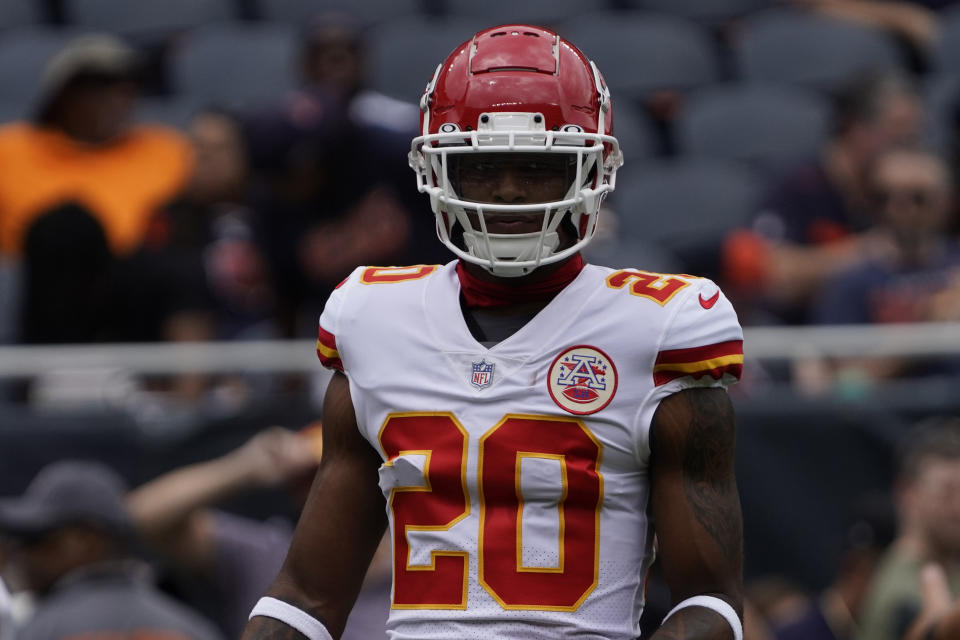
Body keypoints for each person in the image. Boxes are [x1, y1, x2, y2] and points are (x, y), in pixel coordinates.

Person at [243, 24, 745, 640]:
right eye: (482, 168)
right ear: (436, 170)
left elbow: (711, 604)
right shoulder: (373, 319)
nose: (509, 192)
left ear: (591, 171)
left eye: (538, 168)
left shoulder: (662, 326)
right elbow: (307, 597)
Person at [127, 425, 390, 640]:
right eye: (313, 478)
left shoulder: (416, 566)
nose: (334, 491)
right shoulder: (265, 554)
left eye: (362, 474)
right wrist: (243, 468)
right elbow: (136, 519)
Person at [724, 71, 923, 324]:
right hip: (800, 334)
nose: (908, 146)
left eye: (914, 135)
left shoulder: (914, 191)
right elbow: (772, 274)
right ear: (854, 127)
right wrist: (866, 253)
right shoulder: (797, 185)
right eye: (897, 132)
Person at [0, 460, 222, 640]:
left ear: (87, 540)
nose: (20, 554)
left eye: (36, 539)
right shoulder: (192, 628)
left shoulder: (40, 629)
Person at [812, 148, 960, 381]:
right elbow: (845, 385)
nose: (900, 208)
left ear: (947, 202)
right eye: (884, 197)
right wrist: (925, 330)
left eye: (918, 198)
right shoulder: (851, 281)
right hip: (886, 413)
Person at [856, 419, 960, 640]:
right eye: (946, 492)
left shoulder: (945, 567)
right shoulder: (901, 592)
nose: (958, 507)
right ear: (908, 493)